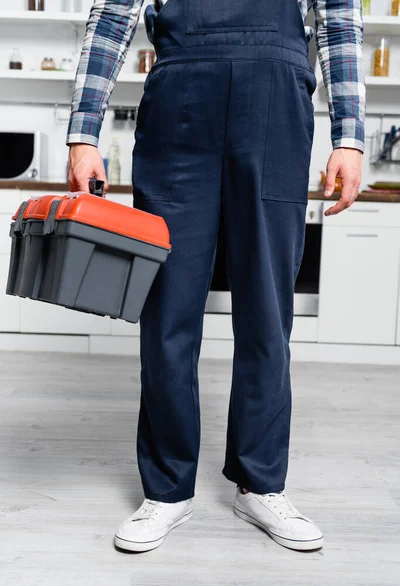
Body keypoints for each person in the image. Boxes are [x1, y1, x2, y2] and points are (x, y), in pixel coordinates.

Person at [67, 0, 365, 553]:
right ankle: (167, 489)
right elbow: (111, 13)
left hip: (277, 102)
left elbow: (340, 19)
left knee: (269, 313)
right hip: (181, 99)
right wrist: (85, 133)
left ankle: (260, 483)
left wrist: (349, 135)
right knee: (167, 309)